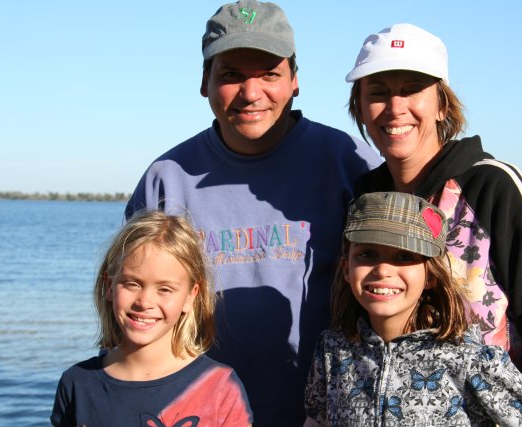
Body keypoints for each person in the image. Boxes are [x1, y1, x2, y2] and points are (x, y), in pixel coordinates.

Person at [124, 1, 382, 425]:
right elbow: (131, 316)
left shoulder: (349, 163)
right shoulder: (165, 180)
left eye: (269, 74)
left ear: (294, 80)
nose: (250, 93)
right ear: (204, 82)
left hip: (330, 415)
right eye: (231, 75)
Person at [345, 23, 522, 423]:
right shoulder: (366, 198)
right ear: (361, 107)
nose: (395, 107)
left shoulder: (493, 184)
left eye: (413, 89)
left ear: (442, 105)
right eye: (378, 92)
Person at [304, 191, 522, 426]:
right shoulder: (332, 350)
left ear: (430, 275)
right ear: (346, 268)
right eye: (367, 254)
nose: (383, 270)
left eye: (404, 256)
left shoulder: (470, 358)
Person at [50, 211, 253, 426]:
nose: (144, 302)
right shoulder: (76, 384)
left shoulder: (220, 388)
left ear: (190, 296)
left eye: (165, 289)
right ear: (109, 285)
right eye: (131, 284)